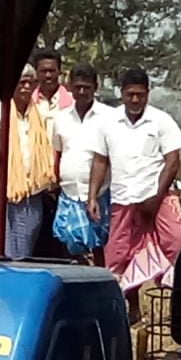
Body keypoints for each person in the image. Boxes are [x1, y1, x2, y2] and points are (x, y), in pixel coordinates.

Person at [104, 67, 181, 301]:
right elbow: (100, 160)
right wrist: (93, 195)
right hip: (123, 198)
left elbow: (173, 162)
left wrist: (155, 198)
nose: (134, 99)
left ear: (147, 94)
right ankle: (128, 307)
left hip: (159, 198)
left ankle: (180, 305)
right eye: (130, 94)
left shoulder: (161, 120)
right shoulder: (109, 121)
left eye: (140, 94)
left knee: (177, 245)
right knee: (118, 256)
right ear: (121, 93)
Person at [0, 66, 57, 255]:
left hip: (34, 193)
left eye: (31, 83)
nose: (26, 87)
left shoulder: (43, 115)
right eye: (22, 82)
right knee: (5, 247)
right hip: (4, 193)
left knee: (25, 247)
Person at [50, 64, 117, 259]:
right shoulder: (61, 118)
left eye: (86, 87)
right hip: (69, 193)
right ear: (69, 87)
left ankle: (103, 285)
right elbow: (58, 152)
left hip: (100, 193)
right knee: (69, 245)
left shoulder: (109, 117)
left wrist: (94, 195)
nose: (81, 92)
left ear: (95, 88)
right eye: (77, 87)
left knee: (100, 246)